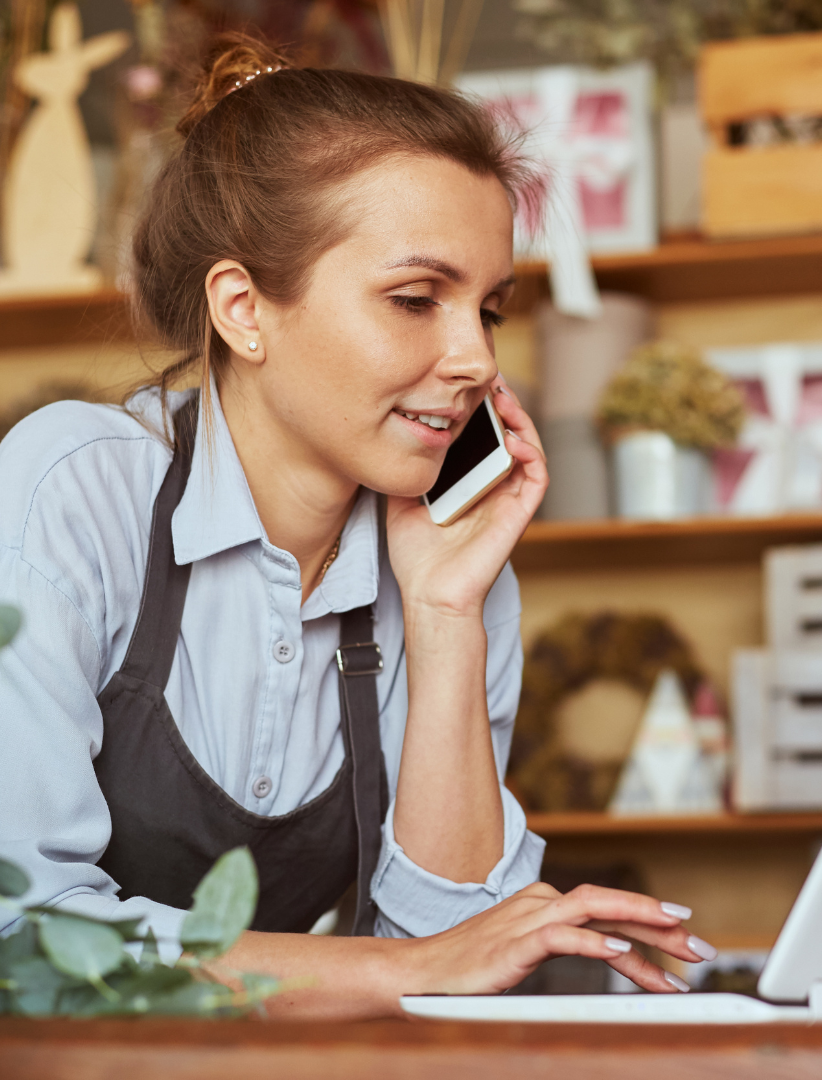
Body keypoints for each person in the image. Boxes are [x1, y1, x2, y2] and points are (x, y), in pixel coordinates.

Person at [0, 35, 717, 1019]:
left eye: (490, 308)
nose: (473, 358)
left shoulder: (450, 557)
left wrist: (444, 610)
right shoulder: (75, 490)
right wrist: (400, 972)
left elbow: (462, 960)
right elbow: (24, 938)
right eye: (417, 299)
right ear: (245, 309)